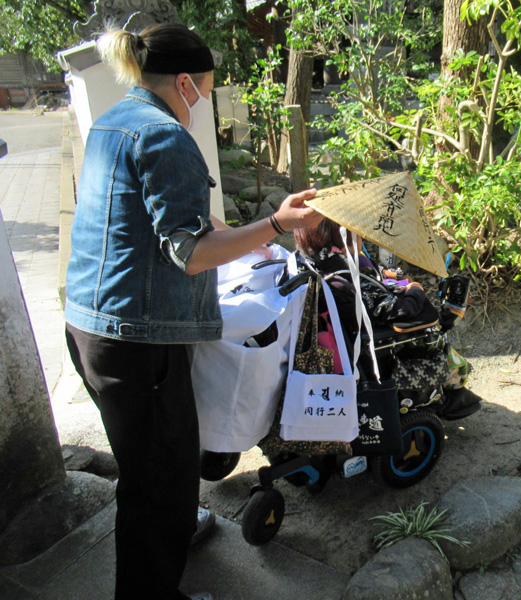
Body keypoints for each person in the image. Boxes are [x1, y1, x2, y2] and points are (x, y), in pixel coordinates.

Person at [63, 24, 322, 600]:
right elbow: (191, 252)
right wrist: (276, 224)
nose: (203, 98)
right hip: (135, 339)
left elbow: (177, 219)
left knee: (154, 463)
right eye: (204, 88)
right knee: (159, 480)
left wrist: (255, 239)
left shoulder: (115, 122)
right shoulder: (165, 136)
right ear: (184, 83)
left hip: (89, 325)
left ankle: (175, 533)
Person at [293, 218, 481, 420]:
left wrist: (392, 276)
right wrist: (415, 289)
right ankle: (441, 394)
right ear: (345, 241)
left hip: (340, 336)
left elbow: (369, 272)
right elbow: (399, 310)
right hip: (376, 345)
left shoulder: (312, 261)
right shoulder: (346, 277)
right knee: (435, 333)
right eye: (357, 236)